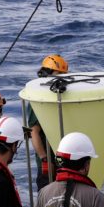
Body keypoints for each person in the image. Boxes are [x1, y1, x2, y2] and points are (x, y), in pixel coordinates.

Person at [27, 54, 69, 191]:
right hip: (49, 161)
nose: (62, 78)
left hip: (63, 159)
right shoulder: (39, 97)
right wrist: (44, 159)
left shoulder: (58, 95)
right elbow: (33, 131)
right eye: (59, 74)